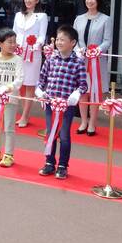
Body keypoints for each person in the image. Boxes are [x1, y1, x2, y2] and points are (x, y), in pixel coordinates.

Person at [36, 25, 87, 180]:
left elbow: (83, 85)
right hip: (51, 104)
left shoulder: (78, 62)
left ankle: (63, 165)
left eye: (62, 40)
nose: (58, 42)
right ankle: (49, 162)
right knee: (51, 133)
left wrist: (77, 93)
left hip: (66, 106)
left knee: (64, 135)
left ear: (72, 42)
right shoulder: (50, 60)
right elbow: (41, 80)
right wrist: (39, 91)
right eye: (57, 39)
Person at [73, 0, 112, 136]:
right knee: (83, 91)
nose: (90, 1)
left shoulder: (105, 19)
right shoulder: (79, 18)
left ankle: (92, 123)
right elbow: (74, 38)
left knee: (95, 92)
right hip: (81, 60)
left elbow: (107, 41)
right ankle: (83, 121)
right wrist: (79, 49)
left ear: (98, 1)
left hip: (97, 61)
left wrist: (97, 50)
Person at [0, 28, 24, 168]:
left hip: (10, 99)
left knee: (9, 127)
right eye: (9, 42)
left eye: (14, 42)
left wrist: (8, 88)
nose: (13, 45)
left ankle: (8, 154)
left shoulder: (18, 60)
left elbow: (19, 79)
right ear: (0, 44)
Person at [12, 0, 48, 127]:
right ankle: (24, 114)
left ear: (37, 0)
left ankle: (25, 116)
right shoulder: (18, 15)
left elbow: (42, 36)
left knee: (30, 84)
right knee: (20, 84)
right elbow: (13, 33)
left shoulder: (42, 16)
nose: (28, 0)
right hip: (19, 52)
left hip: (33, 54)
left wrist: (35, 44)